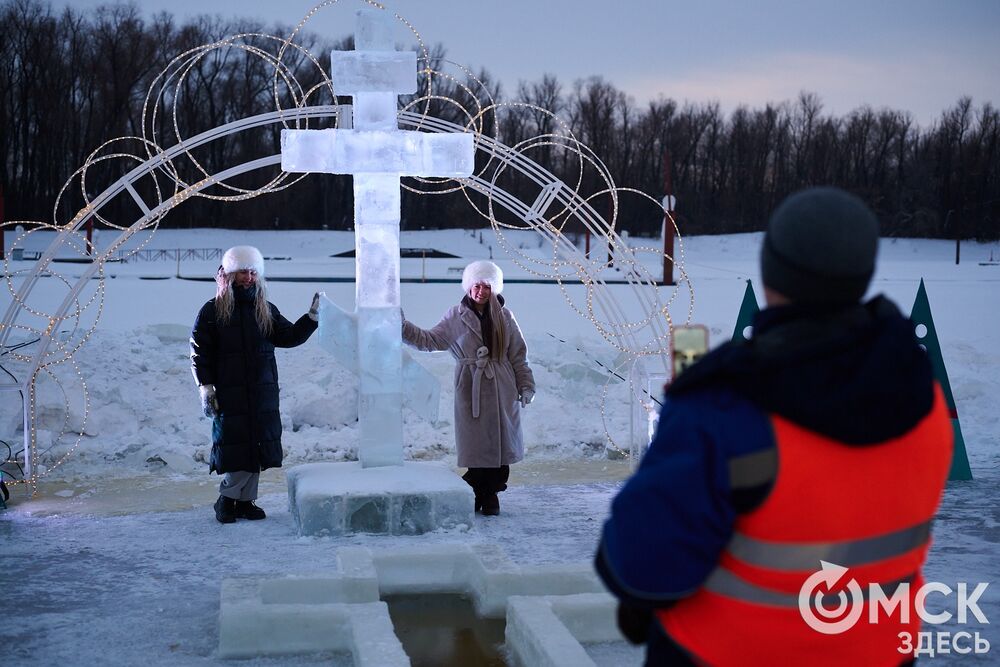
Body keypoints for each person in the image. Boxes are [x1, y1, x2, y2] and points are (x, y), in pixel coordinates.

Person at [595, 187, 953, 666]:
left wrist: (639, 602)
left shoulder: (725, 406)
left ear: (771, 272)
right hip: (879, 653)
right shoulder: (920, 397)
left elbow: (641, 560)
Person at [190, 245, 320, 524]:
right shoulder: (213, 311)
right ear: (229, 274)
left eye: (252, 272)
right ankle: (226, 499)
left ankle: (245, 502)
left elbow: (289, 336)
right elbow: (200, 353)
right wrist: (206, 387)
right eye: (242, 273)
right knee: (235, 443)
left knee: (255, 444)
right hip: (230, 392)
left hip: (261, 390)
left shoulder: (265, 310)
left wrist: (311, 319)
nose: (248, 278)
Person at [402, 260, 535, 516]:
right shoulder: (455, 316)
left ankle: (489, 495)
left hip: (502, 386)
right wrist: (403, 328)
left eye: (486, 286)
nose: (481, 291)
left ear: (494, 288)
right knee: (478, 448)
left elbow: (518, 354)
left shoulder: (506, 316)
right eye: (477, 285)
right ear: (468, 286)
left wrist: (526, 385)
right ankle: (479, 493)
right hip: (471, 386)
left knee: (500, 448)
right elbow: (430, 340)